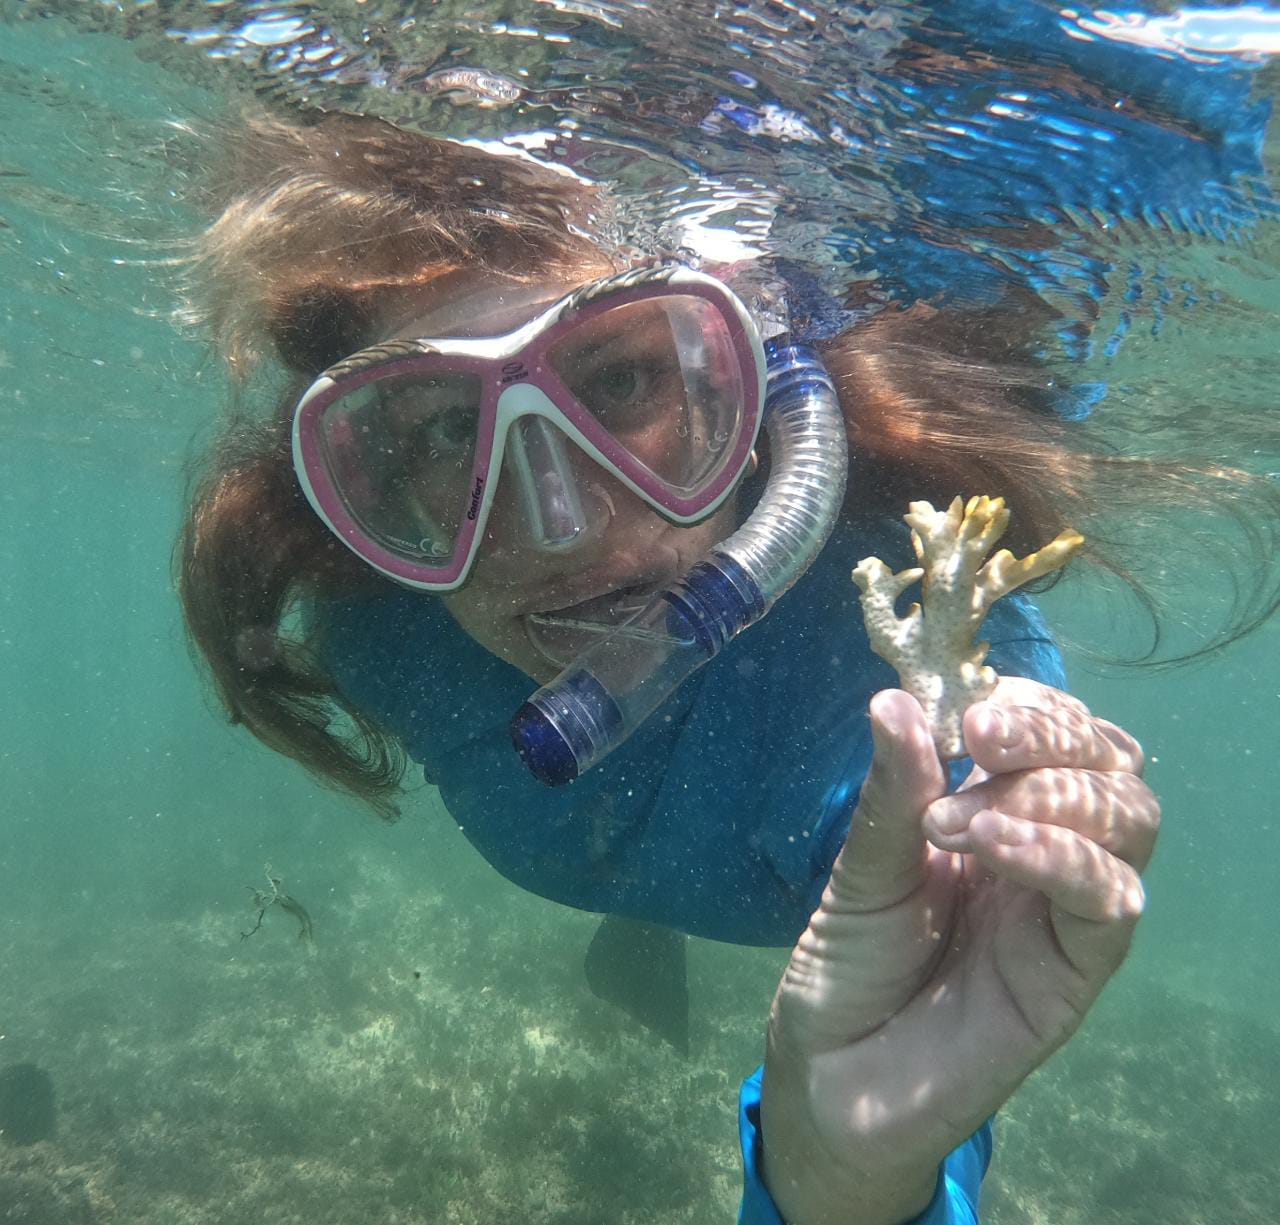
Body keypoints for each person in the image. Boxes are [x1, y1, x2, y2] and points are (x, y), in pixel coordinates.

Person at [175, 108, 1267, 1224]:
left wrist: (841, 1181)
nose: (554, 525)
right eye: (449, 434)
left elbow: (908, 983)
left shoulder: (910, 671)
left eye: (618, 386)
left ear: (747, 389)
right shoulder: (378, 616)